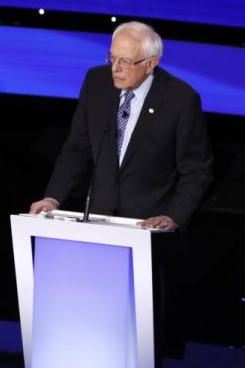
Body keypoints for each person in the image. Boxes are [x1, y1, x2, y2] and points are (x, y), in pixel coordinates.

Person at [29, 21, 213, 230]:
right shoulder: (96, 82)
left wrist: (172, 217)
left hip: (150, 227)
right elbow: (77, 149)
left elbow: (196, 171)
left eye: (125, 61)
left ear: (150, 63)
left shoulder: (180, 100)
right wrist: (53, 198)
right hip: (98, 222)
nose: (115, 68)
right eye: (112, 58)